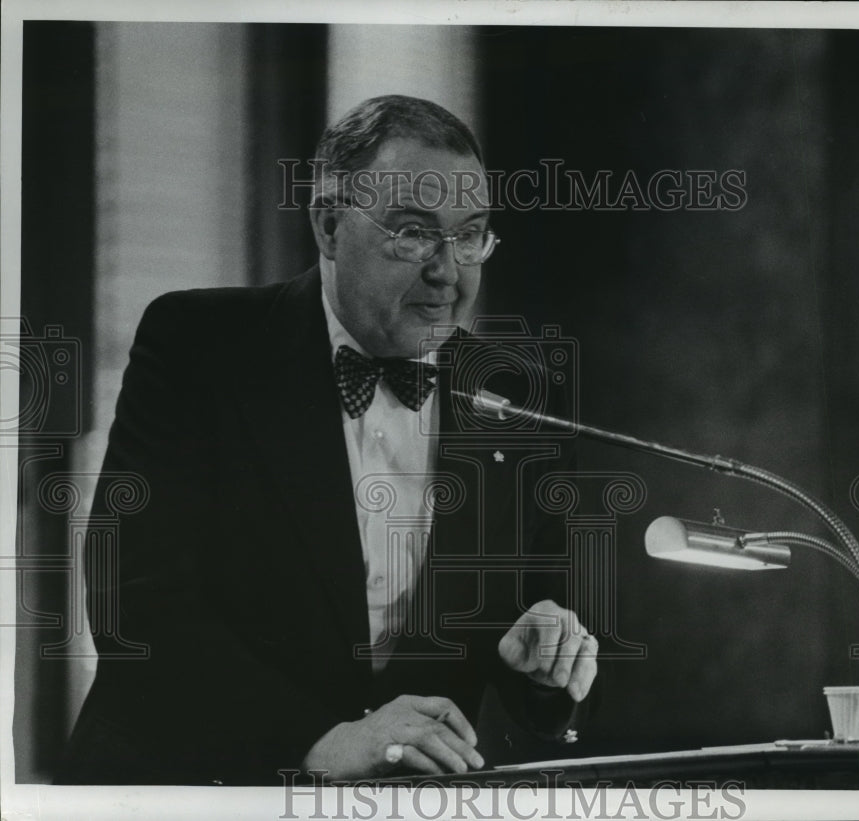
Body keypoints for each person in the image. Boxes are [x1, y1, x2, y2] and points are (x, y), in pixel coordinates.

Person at [57, 95, 598, 786]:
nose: (448, 271)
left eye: (470, 235)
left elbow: (552, 682)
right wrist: (316, 741)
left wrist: (548, 659)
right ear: (328, 224)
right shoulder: (198, 345)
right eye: (412, 232)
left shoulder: (519, 394)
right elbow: (137, 606)